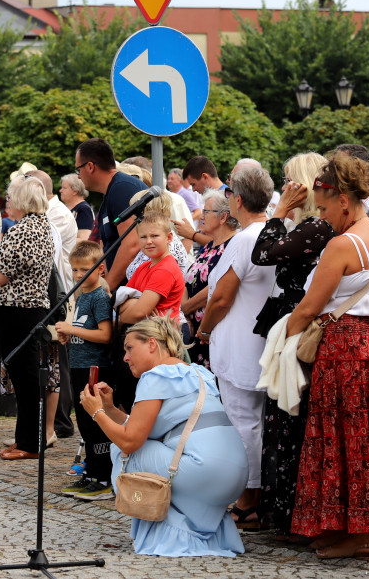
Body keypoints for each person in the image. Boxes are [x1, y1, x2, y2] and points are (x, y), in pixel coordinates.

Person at [284, 152, 369, 557]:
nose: (321, 217)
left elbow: (308, 307)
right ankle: (354, 528)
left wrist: (281, 340)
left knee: (339, 440)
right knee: (364, 441)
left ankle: (357, 534)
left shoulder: (342, 244)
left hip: (340, 351)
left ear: (343, 200)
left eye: (322, 207)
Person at [78, 315, 249, 557]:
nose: (125, 357)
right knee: (139, 443)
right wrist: (110, 410)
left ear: (151, 344)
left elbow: (130, 440)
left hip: (204, 473)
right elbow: (146, 427)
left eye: (129, 348)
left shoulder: (155, 376)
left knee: (122, 449)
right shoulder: (198, 372)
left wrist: (95, 413)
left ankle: (164, 526)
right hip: (236, 477)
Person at [250, 151, 335, 536]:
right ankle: (283, 511)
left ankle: (291, 513)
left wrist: (280, 211)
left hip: (297, 328)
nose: (284, 187)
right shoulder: (312, 226)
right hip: (287, 323)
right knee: (282, 418)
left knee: (289, 418)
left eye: (289, 180)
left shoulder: (317, 227)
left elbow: (262, 253)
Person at [196, 166, 277, 530]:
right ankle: (254, 495)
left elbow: (222, 297)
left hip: (240, 342)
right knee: (256, 423)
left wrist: (204, 328)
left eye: (229, 193)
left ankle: (249, 499)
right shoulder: (277, 231)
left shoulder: (245, 240)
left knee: (244, 423)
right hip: (261, 340)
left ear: (238, 200)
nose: (226, 198)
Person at [0, 176, 54, 460]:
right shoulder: (37, 227)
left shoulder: (25, 230)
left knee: (25, 379)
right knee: (24, 379)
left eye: (9, 198)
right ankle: (26, 439)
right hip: (20, 310)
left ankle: (30, 444)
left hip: (17, 311)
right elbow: (9, 268)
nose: (7, 203)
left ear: (21, 200)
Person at [54, 241, 114, 499]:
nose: (78, 275)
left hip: (94, 368)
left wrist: (72, 330)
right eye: (75, 270)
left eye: (84, 270)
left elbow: (105, 335)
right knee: (85, 424)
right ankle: (90, 472)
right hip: (78, 364)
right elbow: (84, 329)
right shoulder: (82, 295)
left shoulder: (99, 296)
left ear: (100, 269)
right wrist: (70, 337)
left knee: (96, 423)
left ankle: (103, 479)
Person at [75, 139, 147, 289]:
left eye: (78, 170)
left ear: (90, 166)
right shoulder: (112, 190)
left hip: (134, 292)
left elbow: (132, 245)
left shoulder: (122, 189)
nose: (78, 176)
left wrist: (106, 290)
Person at [180, 191, 238, 367]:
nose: (201, 216)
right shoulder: (210, 245)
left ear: (223, 217)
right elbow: (188, 280)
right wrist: (186, 316)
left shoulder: (234, 245)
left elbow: (217, 287)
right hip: (195, 327)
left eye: (206, 212)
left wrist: (185, 308)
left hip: (212, 329)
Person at [118, 212, 185, 325]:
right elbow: (119, 302)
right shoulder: (144, 266)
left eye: (154, 236)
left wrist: (122, 318)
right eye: (143, 237)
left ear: (169, 238)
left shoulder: (165, 269)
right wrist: (132, 307)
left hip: (161, 335)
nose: (149, 241)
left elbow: (139, 313)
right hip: (145, 330)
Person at [59, 173, 94, 242]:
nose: (60, 190)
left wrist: (58, 241)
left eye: (64, 188)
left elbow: (84, 239)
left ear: (75, 191)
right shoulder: (65, 208)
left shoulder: (83, 209)